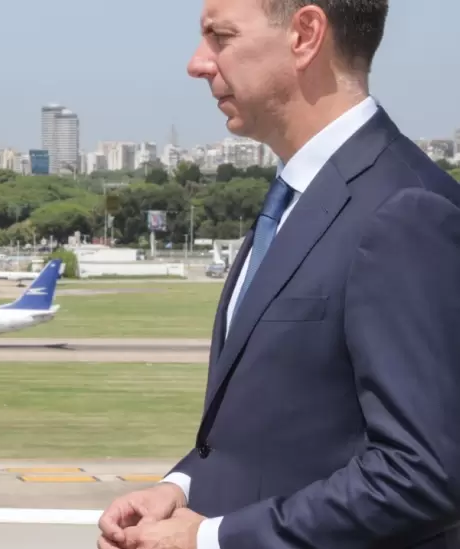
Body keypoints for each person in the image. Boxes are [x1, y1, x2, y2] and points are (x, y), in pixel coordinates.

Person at [98, 1, 460, 548]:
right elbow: (286, 425)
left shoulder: (403, 210)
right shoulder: (297, 199)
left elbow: (424, 475)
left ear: (306, 34)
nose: (198, 63)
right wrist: (184, 486)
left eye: (220, 37)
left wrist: (208, 540)